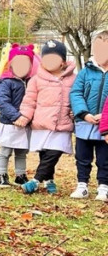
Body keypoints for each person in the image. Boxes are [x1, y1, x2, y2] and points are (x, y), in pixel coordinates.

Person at [18, 39, 76, 194]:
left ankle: (35, 181)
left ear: (63, 62)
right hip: (41, 123)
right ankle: (49, 180)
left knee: (54, 153)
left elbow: (78, 97)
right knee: (45, 154)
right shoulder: (36, 79)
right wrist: (24, 117)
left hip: (62, 124)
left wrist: (76, 112)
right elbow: (29, 100)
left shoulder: (74, 79)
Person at [69, 30, 108, 201]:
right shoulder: (85, 72)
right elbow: (76, 93)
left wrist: (104, 116)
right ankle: (82, 185)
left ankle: (103, 187)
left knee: (104, 159)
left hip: (104, 126)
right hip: (85, 123)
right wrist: (83, 113)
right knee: (82, 157)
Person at [0, 44, 34, 187]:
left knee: (22, 152)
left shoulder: (30, 82)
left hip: (25, 124)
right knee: (5, 151)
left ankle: (20, 175)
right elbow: (3, 103)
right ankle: (2, 174)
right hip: (10, 123)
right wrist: (16, 117)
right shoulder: (6, 82)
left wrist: (27, 118)